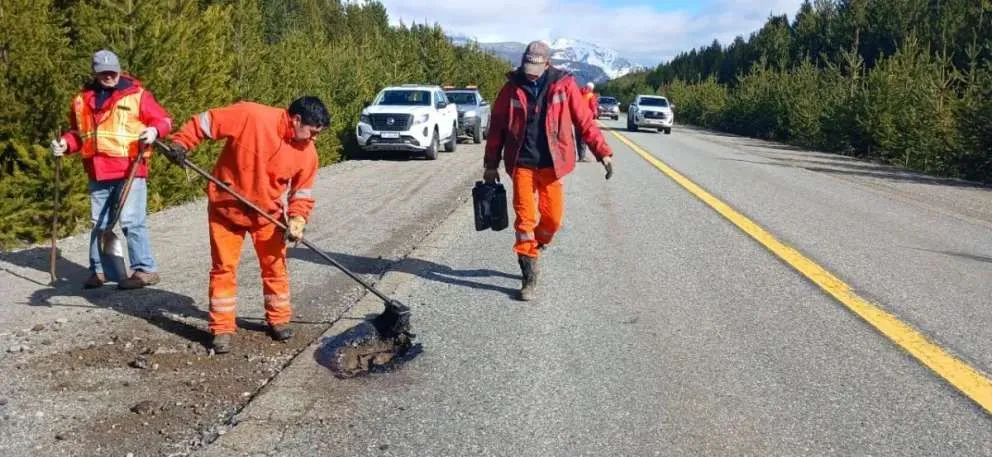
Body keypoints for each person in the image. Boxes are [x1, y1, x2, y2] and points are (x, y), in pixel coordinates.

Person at [158, 97, 330, 354]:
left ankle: (279, 319)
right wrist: (181, 142)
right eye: (312, 132)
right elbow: (207, 122)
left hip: (266, 215)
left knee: (275, 267)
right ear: (296, 120)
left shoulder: (308, 154)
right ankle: (222, 329)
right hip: (226, 208)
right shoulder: (251, 115)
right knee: (223, 269)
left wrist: (297, 219)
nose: (314, 139)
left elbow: (302, 193)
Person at [483, 40, 614, 301]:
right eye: (527, 66)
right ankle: (529, 273)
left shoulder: (564, 85)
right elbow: (497, 127)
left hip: (553, 164)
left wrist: (603, 152)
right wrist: (490, 164)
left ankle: (539, 242)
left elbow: (584, 121)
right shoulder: (511, 88)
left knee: (553, 219)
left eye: (535, 67)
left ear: (546, 64)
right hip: (522, 163)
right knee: (524, 220)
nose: (530, 72)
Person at [50, 49, 172, 290]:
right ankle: (100, 270)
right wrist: (65, 143)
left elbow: (164, 120)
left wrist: (155, 131)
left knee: (131, 221)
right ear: (95, 73)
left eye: (112, 72)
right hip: (98, 170)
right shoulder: (81, 100)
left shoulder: (137, 95)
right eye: (103, 73)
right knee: (99, 224)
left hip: (130, 169)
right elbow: (78, 134)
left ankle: (144, 270)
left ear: (118, 70)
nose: (109, 77)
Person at [575, 81, 599, 162]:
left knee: (578, 138)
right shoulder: (591, 95)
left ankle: (580, 155)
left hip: (577, 118)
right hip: (586, 119)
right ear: (591, 89)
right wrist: (595, 116)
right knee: (584, 138)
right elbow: (593, 107)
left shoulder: (578, 93)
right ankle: (583, 156)